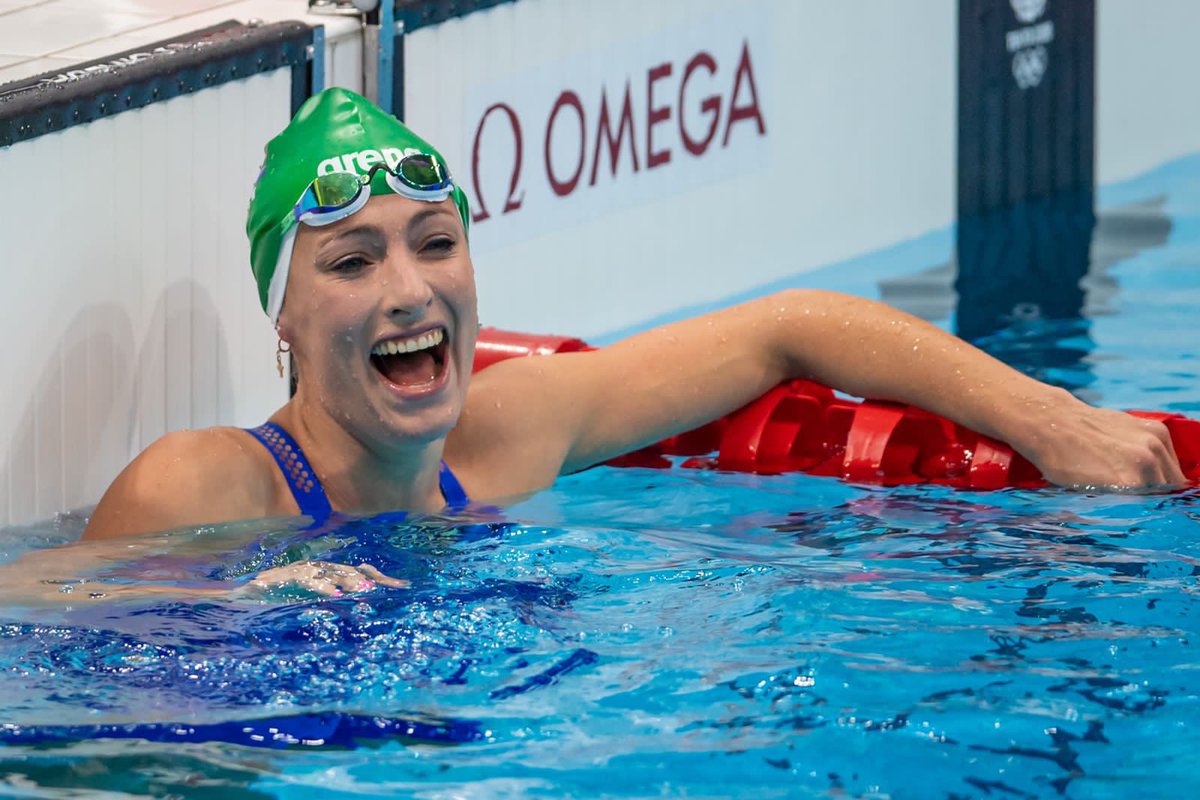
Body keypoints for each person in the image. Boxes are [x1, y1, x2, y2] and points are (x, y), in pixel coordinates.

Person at [81, 88, 1185, 591]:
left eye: (433, 242)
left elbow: (784, 330)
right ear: (282, 315)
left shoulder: (503, 438)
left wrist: (1060, 419)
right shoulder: (205, 485)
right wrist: (238, 598)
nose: (410, 291)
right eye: (353, 262)